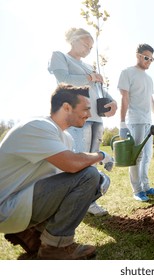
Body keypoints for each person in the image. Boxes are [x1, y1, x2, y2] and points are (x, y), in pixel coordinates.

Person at [0, 84, 114, 259]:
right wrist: (101, 155)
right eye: (86, 109)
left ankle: (31, 234)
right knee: (89, 176)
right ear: (67, 107)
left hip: (20, 201)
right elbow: (73, 164)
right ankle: (55, 248)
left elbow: (65, 178)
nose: (90, 115)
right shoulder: (38, 126)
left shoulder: (64, 137)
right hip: (6, 207)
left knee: (93, 179)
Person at [48, 27, 117, 216]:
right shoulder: (60, 56)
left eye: (91, 46)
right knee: (79, 158)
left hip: (96, 118)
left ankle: (88, 201)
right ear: (73, 39)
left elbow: (100, 89)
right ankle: (70, 203)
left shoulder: (89, 66)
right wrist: (90, 77)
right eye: (86, 43)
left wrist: (112, 101)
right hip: (78, 118)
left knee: (92, 160)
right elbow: (63, 80)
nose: (89, 48)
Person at [118, 43, 154, 202]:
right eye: (146, 57)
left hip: (147, 122)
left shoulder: (149, 79)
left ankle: (145, 186)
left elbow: (150, 99)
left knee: (147, 156)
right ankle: (137, 190)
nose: (149, 61)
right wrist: (122, 123)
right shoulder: (127, 73)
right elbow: (124, 98)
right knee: (137, 156)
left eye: (152, 59)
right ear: (137, 55)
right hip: (135, 121)